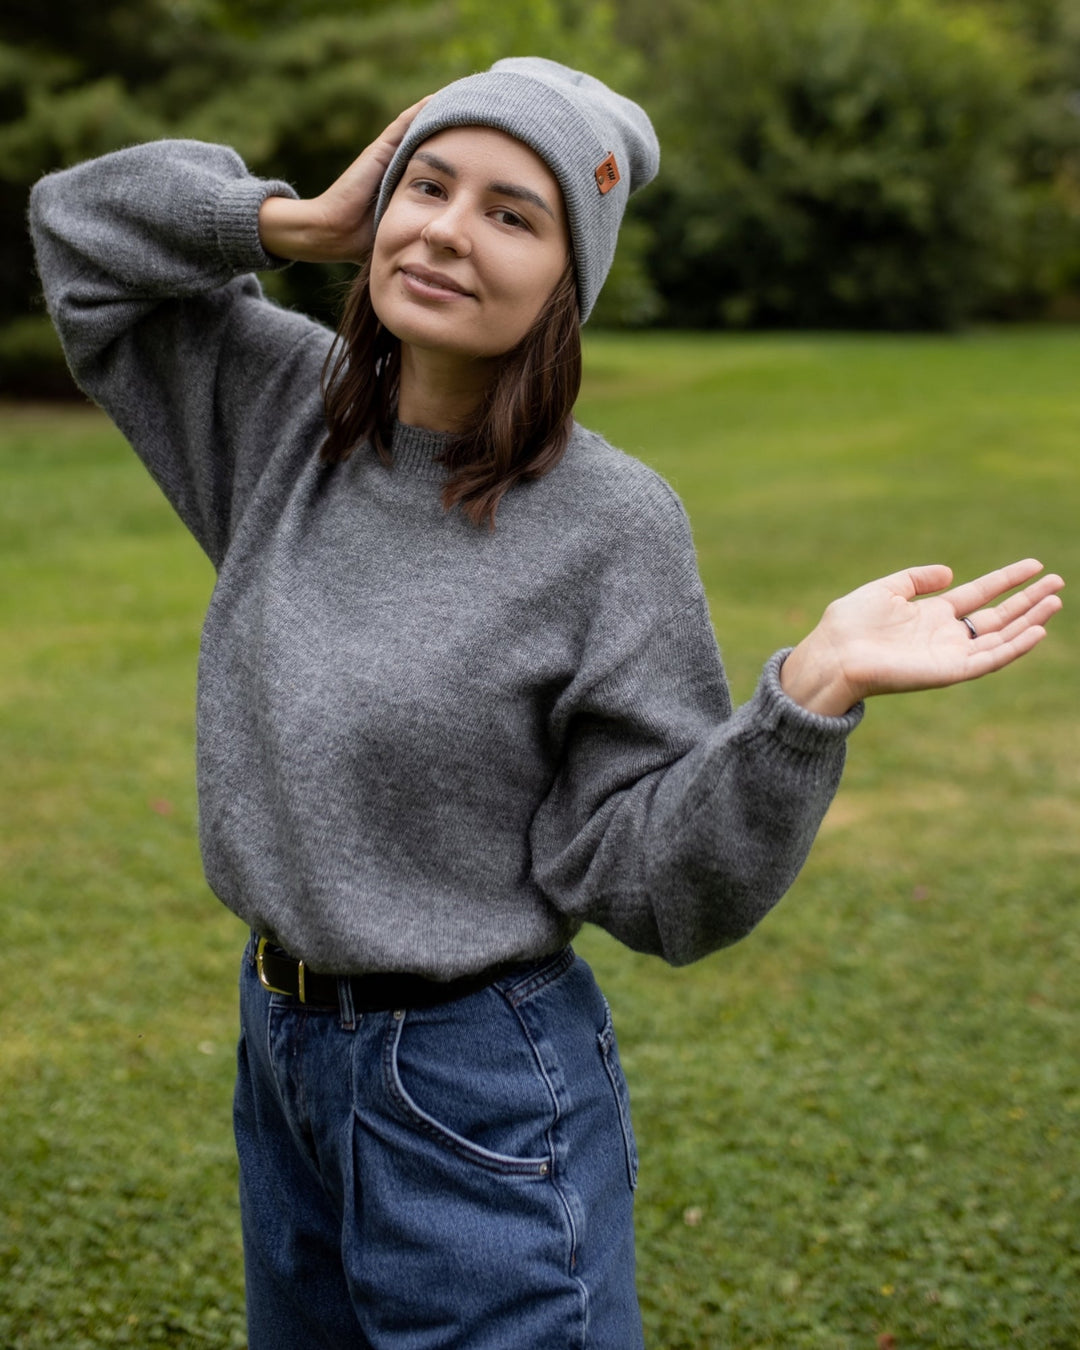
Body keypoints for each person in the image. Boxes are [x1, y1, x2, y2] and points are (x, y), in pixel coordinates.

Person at [29, 56, 1062, 1350]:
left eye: (514, 213)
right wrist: (291, 221)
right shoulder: (283, 414)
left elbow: (652, 881)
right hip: (281, 1049)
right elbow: (76, 230)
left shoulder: (608, 523)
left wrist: (807, 696)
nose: (450, 230)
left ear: (570, 280)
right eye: (430, 184)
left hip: (471, 1089)